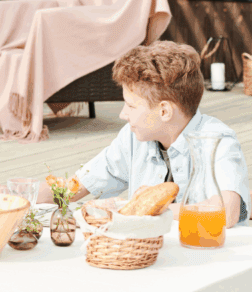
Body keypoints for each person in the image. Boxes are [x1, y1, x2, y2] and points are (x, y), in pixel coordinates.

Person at [36, 41, 249, 227]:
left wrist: (151, 207)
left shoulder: (217, 140)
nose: (122, 114)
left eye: (130, 105)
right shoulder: (133, 138)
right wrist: (17, 196)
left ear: (164, 111)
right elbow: (72, 188)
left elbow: (227, 212)